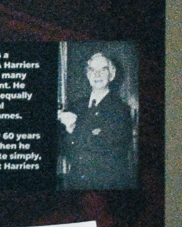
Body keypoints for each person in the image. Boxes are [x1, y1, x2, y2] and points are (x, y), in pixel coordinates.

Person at [59, 50, 138, 189]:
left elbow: (105, 147)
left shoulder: (120, 110)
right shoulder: (76, 106)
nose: (97, 74)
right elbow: (62, 149)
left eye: (103, 69)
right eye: (93, 70)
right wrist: (63, 128)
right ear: (88, 75)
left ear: (112, 75)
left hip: (106, 186)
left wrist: (73, 129)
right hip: (75, 184)